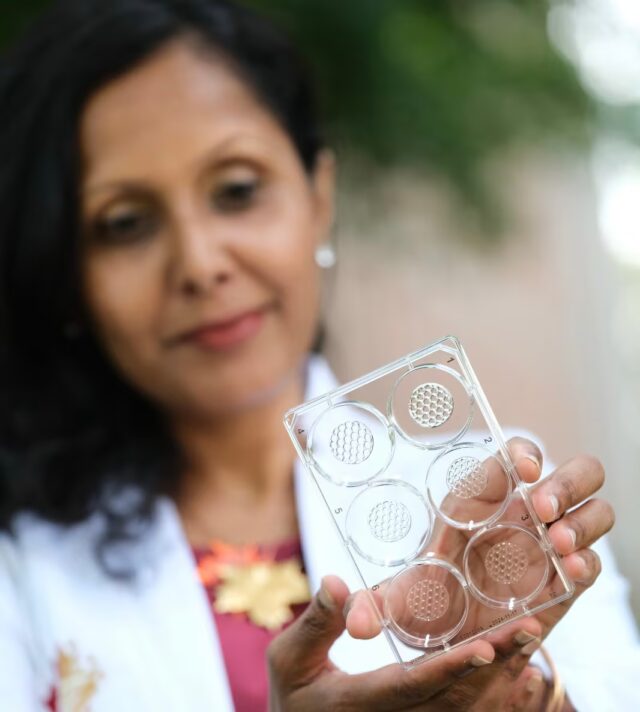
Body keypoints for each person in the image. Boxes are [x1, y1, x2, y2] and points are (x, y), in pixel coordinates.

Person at [0, 1, 637, 710]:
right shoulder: (21, 563)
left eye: (237, 190)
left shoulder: (502, 507)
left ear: (320, 198)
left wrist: (520, 697)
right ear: (65, 272)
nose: (200, 263)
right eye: (125, 223)